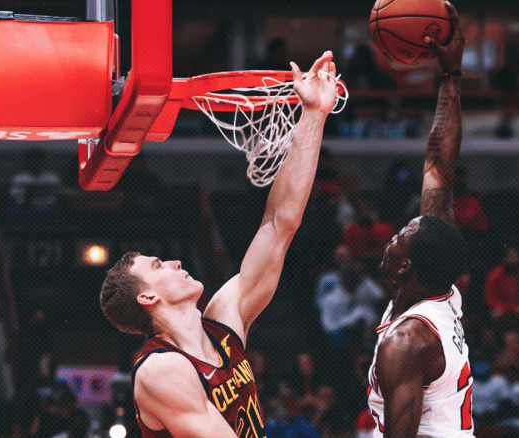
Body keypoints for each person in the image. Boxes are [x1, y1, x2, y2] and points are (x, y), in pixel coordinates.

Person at [98, 52, 340, 438]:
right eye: (158, 266)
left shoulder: (223, 324)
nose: (175, 262)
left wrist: (313, 114)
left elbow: (280, 225)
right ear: (147, 297)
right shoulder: (160, 369)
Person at [366, 3, 472, 437]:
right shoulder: (439, 291)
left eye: (398, 237)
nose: (390, 239)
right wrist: (451, 74)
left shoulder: (407, 341)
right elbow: (438, 167)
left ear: (406, 265)